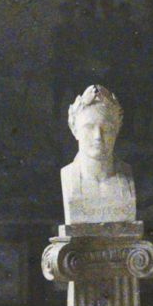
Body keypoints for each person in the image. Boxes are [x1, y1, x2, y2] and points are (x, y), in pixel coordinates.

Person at [59, 85, 136, 225]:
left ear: (117, 129)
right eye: (89, 127)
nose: (98, 137)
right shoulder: (68, 177)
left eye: (106, 128)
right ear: (74, 129)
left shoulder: (126, 176)